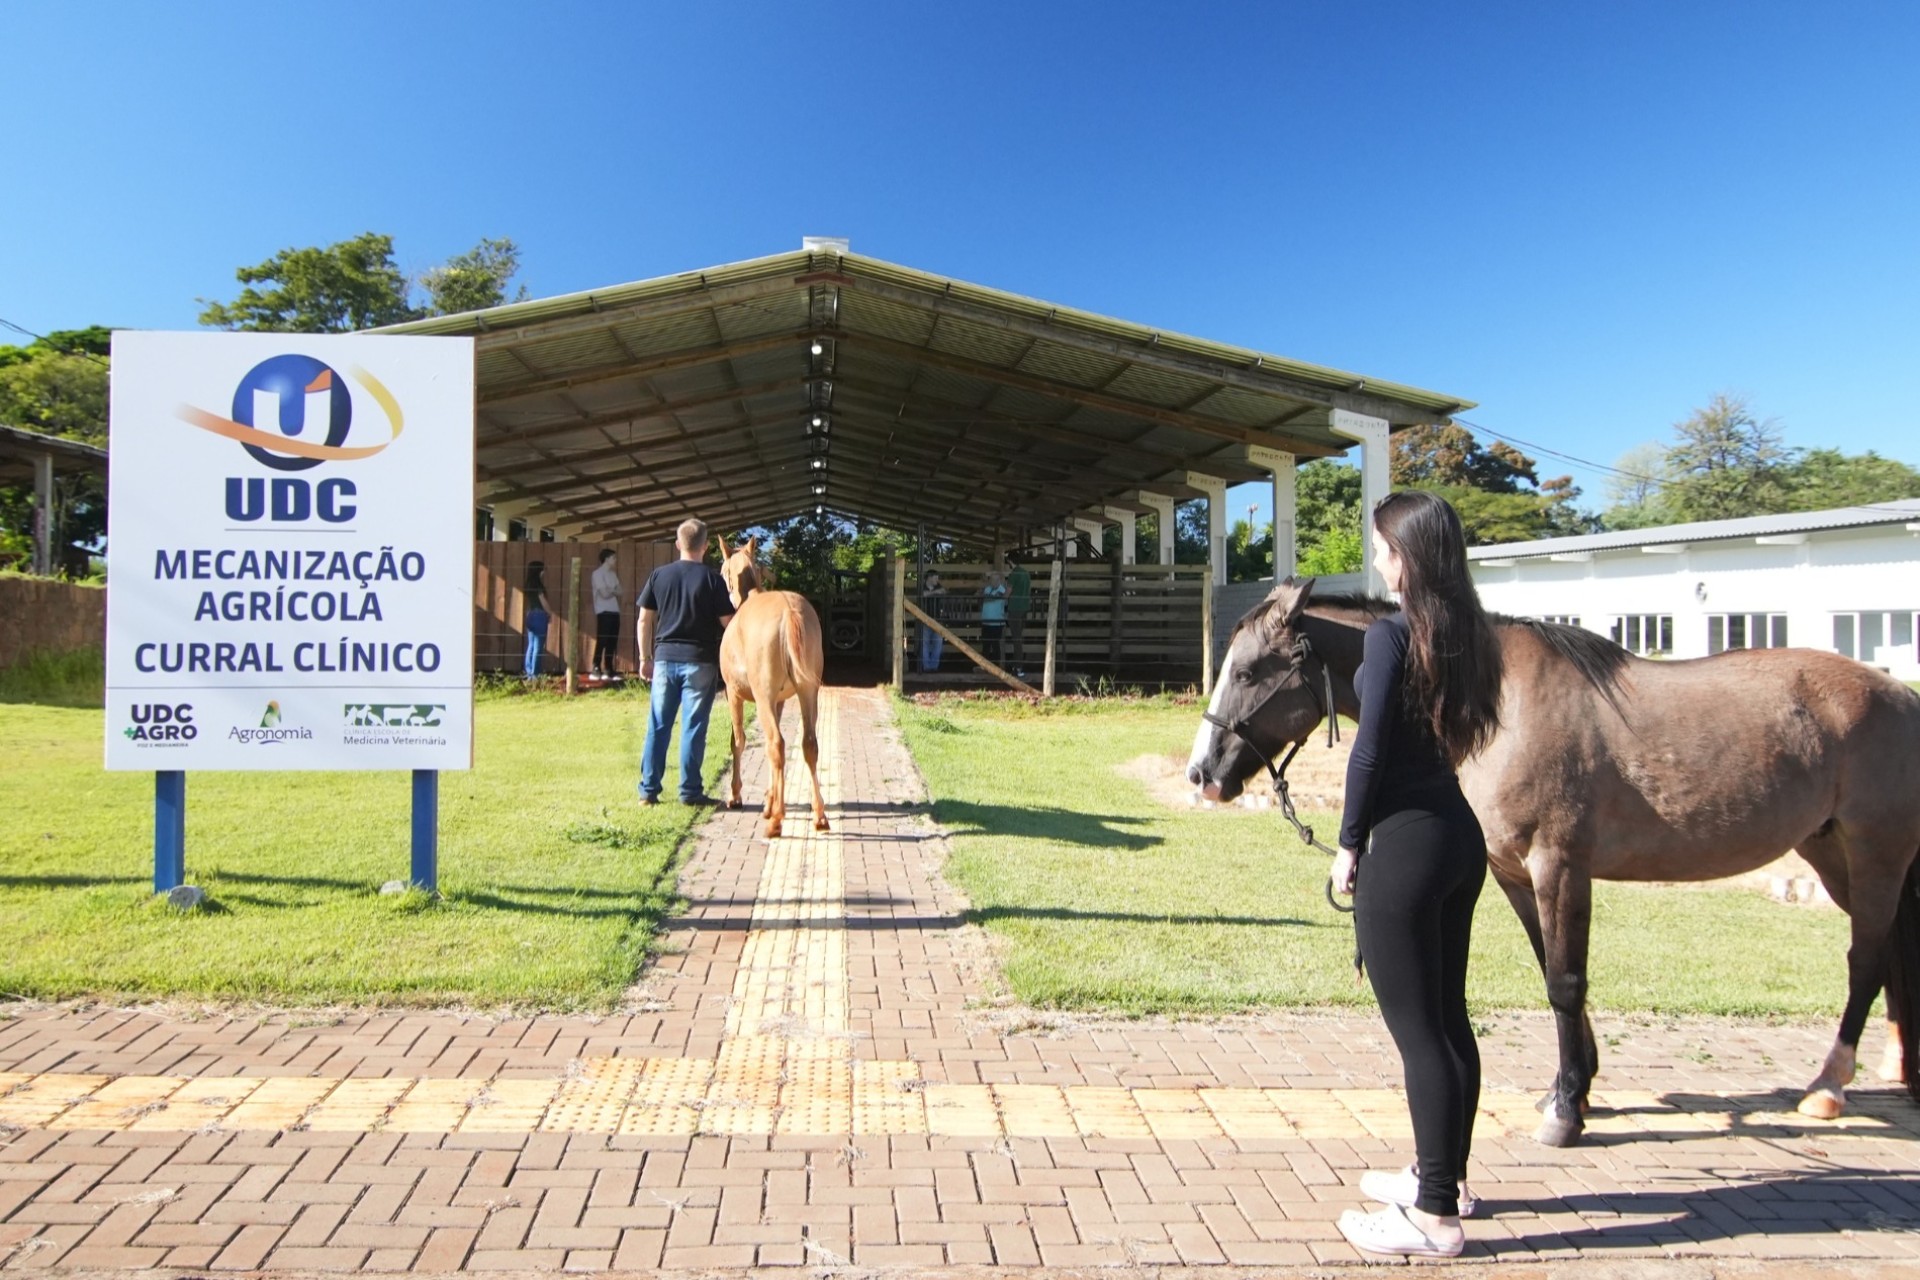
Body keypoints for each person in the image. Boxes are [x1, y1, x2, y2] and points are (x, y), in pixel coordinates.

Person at [1332, 490, 1503, 1259]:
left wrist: (1347, 844)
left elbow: (1368, 753)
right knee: (1448, 1020)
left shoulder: (1389, 637)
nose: (1375, 561)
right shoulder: (1469, 637)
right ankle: (1446, 1178)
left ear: (1407, 557)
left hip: (1404, 847)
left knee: (1420, 1038)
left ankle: (1434, 1219)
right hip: (1459, 839)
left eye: (1381, 548)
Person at [636, 519, 735, 806]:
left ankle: (648, 791)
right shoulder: (712, 580)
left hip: (665, 661)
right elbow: (729, 624)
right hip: (700, 662)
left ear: (678, 544)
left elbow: (644, 619)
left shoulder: (659, 575)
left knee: (658, 725)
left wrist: (645, 658)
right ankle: (690, 792)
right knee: (693, 726)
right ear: (705, 546)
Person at [591, 548, 622, 678]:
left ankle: (609, 667)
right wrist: (612, 590)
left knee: (612, 641)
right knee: (602, 639)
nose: (615, 560)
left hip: (615, 610)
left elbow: (620, 591)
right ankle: (596, 666)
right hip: (603, 610)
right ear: (607, 559)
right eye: (613, 558)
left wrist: (611, 590)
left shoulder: (613, 574)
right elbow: (604, 594)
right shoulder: (597, 574)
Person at [521, 560, 549, 680]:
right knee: (538, 646)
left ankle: (529, 672)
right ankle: (535, 673)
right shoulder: (538, 585)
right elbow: (543, 601)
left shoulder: (528, 584)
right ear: (539, 570)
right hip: (539, 615)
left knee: (531, 645)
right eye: (542, 569)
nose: (544, 572)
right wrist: (550, 612)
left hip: (530, 614)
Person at [979, 569, 1009, 665]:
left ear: (999, 580)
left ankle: (996, 666)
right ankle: (984, 666)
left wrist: (987, 596)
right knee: (985, 645)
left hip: (996, 622)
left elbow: (996, 598)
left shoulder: (1003, 591)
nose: (993, 582)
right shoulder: (987, 589)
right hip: (986, 622)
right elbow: (981, 596)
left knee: (995, 645)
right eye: (992, 580)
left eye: (996, 580)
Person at [1006, 561, 1031, 673]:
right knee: (1019, 637)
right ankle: (1017, 663)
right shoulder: (1026, 573)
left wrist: (1000, 596)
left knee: (1016, 638)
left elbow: (1008, 592)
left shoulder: (1014, 574)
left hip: (1015, 607)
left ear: (1011, 561)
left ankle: (1018, 666)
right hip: (1025, 607)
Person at [918, 569, 946, 674]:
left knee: (937, 643)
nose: (937, 580)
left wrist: (935, 592)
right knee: (924, 643)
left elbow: (944, 591)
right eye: (935, 578)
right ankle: (926, 667)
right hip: (924, 619)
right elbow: (923, 595)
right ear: (929, 578)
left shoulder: (939, 586)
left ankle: (934, 667)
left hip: (937, 619)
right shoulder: (922, 587)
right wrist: (934, 592)